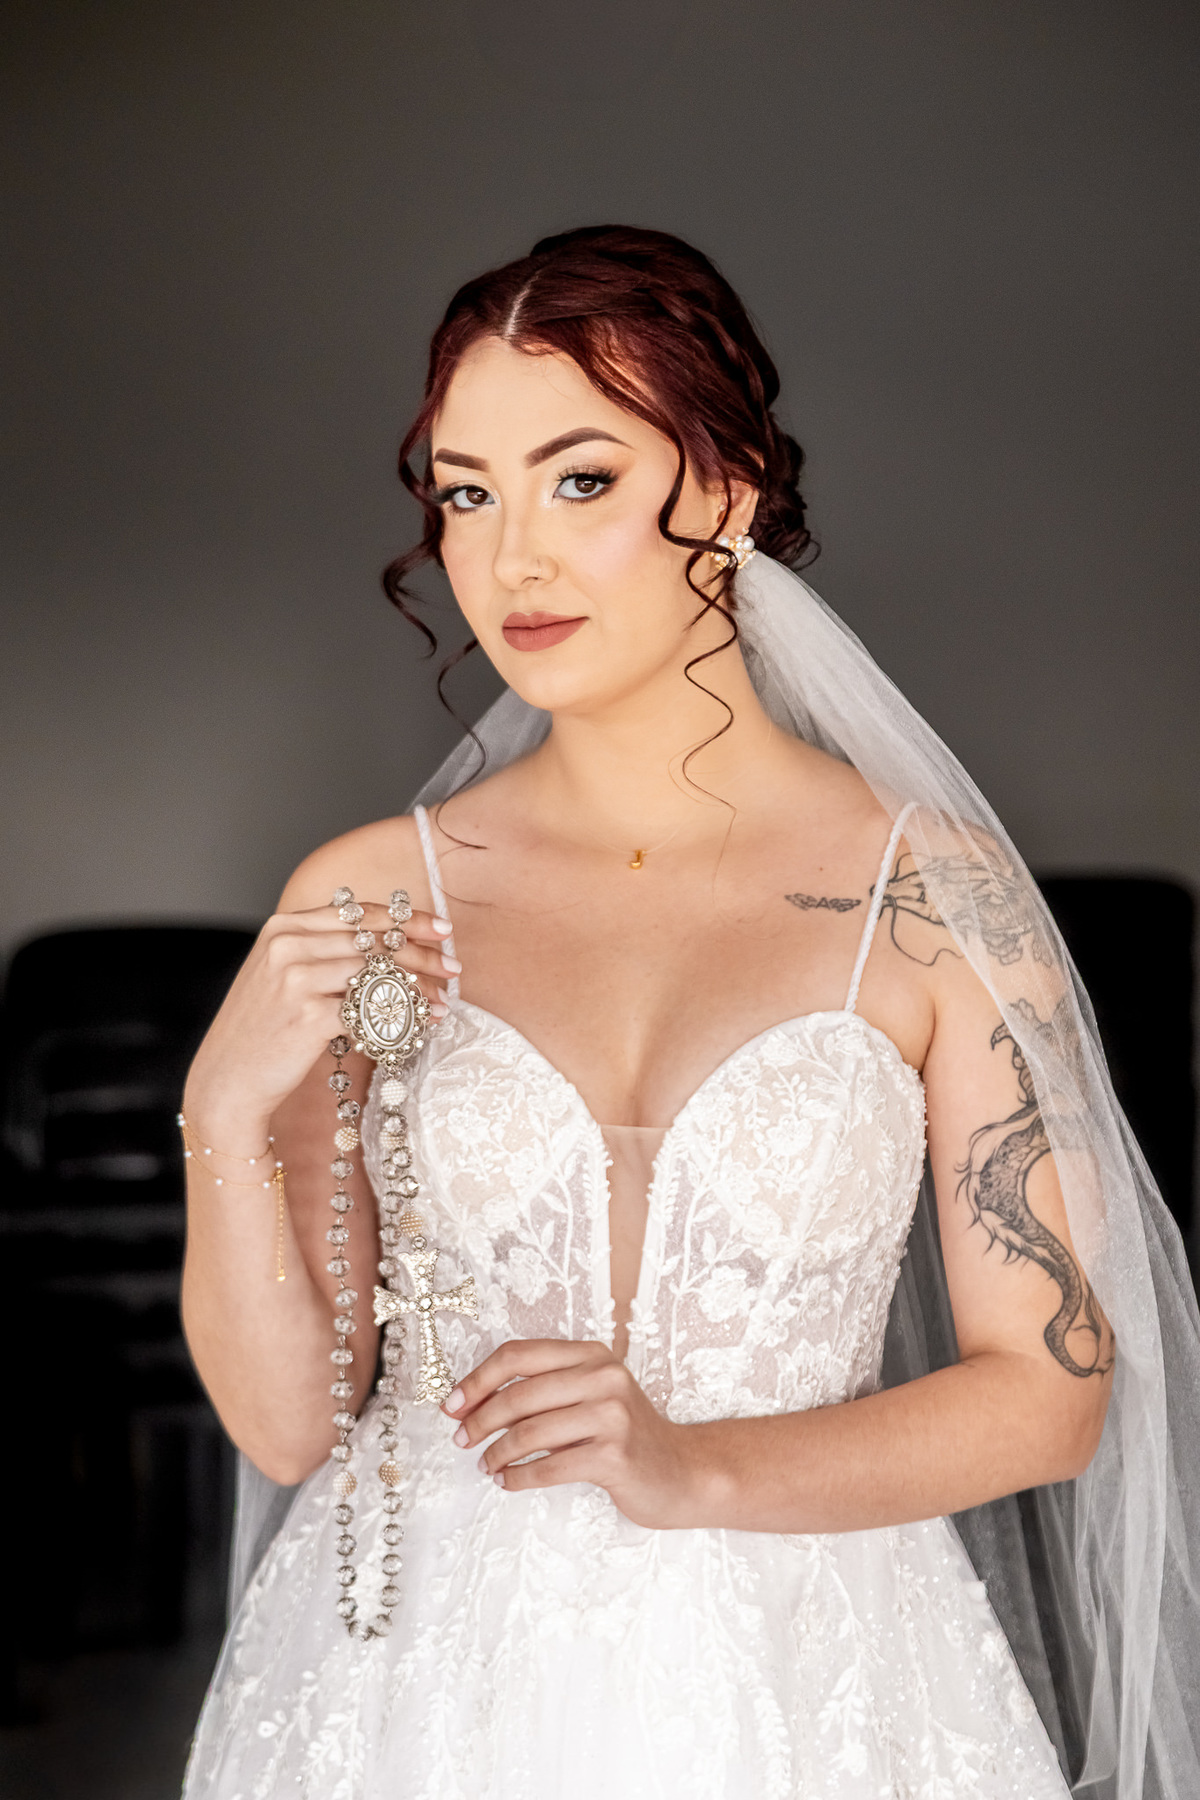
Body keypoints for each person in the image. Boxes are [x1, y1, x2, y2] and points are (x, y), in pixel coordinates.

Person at [180, 227, 1198, 1799]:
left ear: (725, 491)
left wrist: (692, 1466)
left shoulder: (937, 900)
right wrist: (222, 1112)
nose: (512, 559)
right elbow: (293, 1430)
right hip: (423, 1683)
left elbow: (1052, 1394)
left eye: (579, 481)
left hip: (818, 1670)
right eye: (467, 495)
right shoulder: (373, 894)